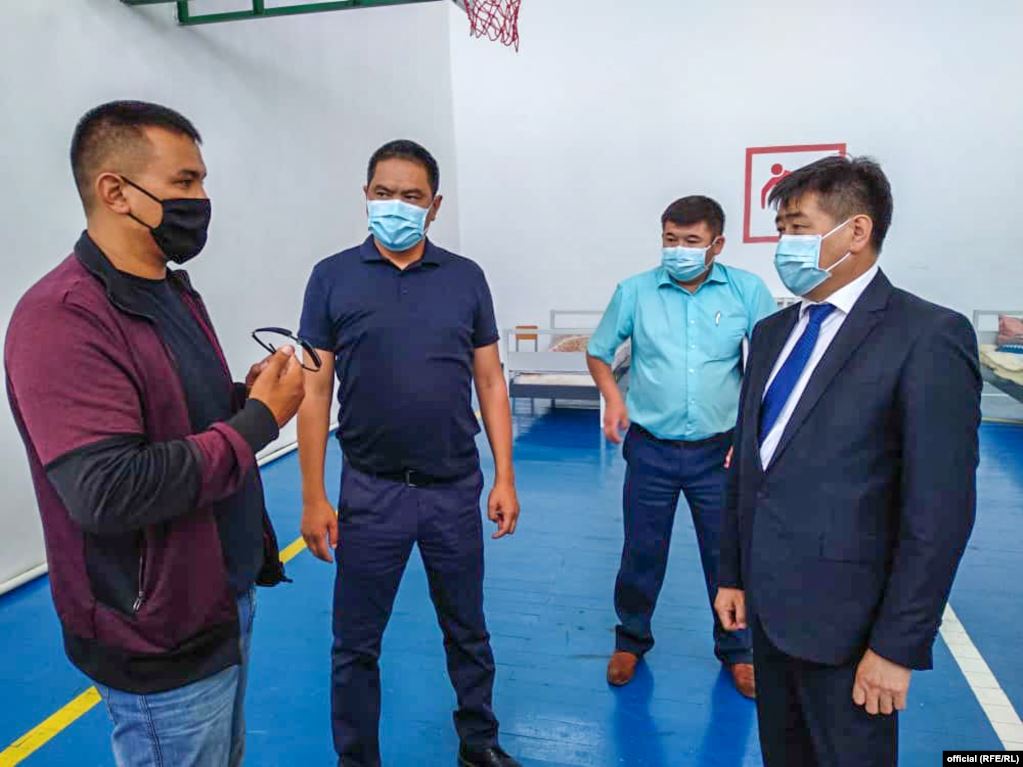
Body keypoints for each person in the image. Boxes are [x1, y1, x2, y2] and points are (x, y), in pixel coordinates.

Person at [4, 101, 305, 766]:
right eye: (184, 182)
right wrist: (259, 421)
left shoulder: (172, 294)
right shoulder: (62, 319)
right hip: (155, 633)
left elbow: (178, 422)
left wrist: (246, 398)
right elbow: (108, 489)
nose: (201, 200)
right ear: (115, 191)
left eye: (202, 182)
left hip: (216, 601)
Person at [715, 156, 980, 766]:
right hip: (771, 616)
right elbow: (752, 471)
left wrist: (897, 646)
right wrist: (734, 573)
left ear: (857, 231)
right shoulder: (773, 334)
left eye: (798, 228)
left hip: (852, 633)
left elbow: (938, 512)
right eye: (781, 230)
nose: (784, 245)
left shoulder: (926, 337)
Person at [297, 140, 522, 767]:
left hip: (453, 487)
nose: (396, 205)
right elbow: (314, 390)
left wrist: (505, 476)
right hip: (371, 491)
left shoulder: (465, 278)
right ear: (366, 195)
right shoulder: (331, 277)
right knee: (355, 644)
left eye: (411, 196)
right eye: (384, 193)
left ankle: (479, 742)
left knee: (467, 630)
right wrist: (313, 495)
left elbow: (490, 381)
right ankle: (356, 758)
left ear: (434, 205)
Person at [587, 195, 776, 697]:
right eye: (671, 239)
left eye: (692, 241)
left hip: (721, 452)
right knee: (642, 549)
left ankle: (738, 650)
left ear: (717, 244)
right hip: (651, 448)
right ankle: (631, 639)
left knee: (726, 553)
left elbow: (770, 366)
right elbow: (598, 351)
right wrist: (613, 399)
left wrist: (750, 435)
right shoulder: (635, 291)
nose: (679, 250)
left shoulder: (747, 291)